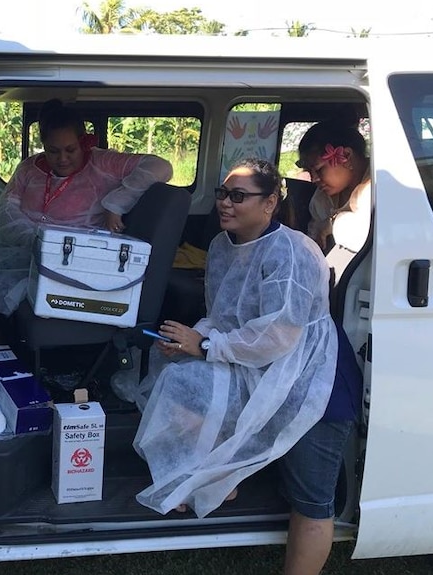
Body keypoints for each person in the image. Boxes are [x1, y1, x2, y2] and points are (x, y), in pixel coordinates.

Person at [133, 158, 350, 575]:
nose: (225, 204)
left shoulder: (291, 251)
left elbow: (280, 334)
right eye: (222, 194)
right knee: (175, 377)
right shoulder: (221, 244)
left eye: (238, 196)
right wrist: (190, 340)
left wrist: (208, 345)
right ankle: (217, 479)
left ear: (270, 203)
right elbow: (223, 311)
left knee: (311, 494)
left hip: (306, 373)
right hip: (249, 355)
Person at [0, 98, 172, 317]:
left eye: (70, 150)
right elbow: (6, 210)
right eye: (53, 151)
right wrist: (33, 238)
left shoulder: (103, 163)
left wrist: (116, 203)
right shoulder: (28, 168)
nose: (62, 159)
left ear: (83, 142)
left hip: (71, 256)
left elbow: (160, 167)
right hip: (21, 248)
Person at [296, 120, 371, 279]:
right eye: (310, 172)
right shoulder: (321, 199)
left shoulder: (377, 189)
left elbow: (362, 237)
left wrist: (333, 223)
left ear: (346, 156)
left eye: (319, 170)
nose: (314, 179)